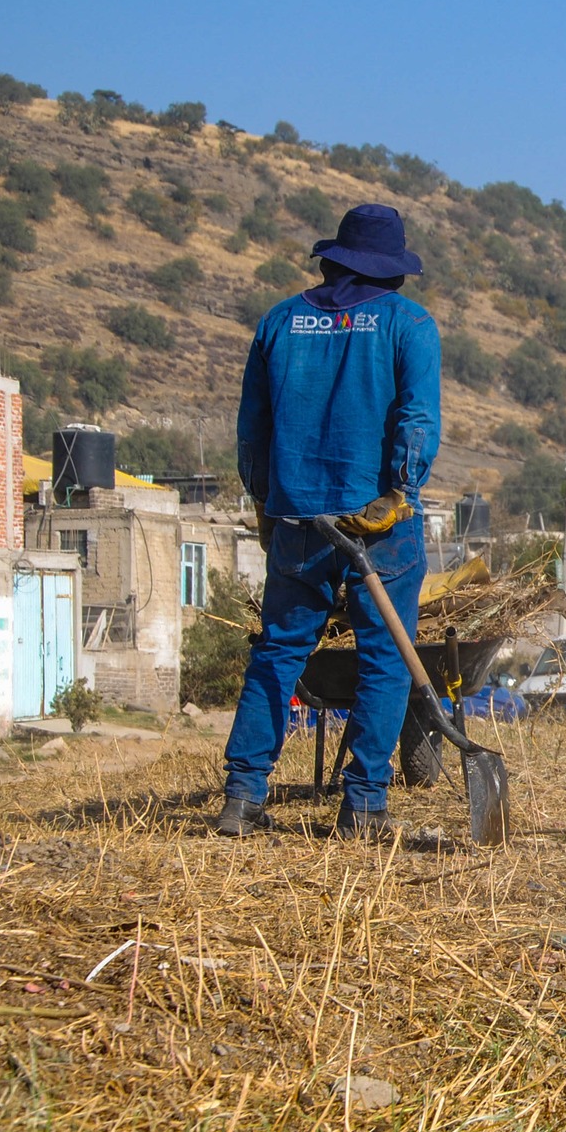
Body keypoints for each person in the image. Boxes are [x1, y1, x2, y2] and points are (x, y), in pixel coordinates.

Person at [216, 204, 440, 839]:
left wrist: (265, 500)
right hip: (381, 525)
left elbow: (251, 433)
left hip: (298, 519)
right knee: (384, 659)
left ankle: (242, 795)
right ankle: (364, 802)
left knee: (279, 651)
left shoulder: (280, 322)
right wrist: (402, 488)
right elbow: (417, 423)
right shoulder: (410, 325)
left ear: (335, 258)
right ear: (391, 271)